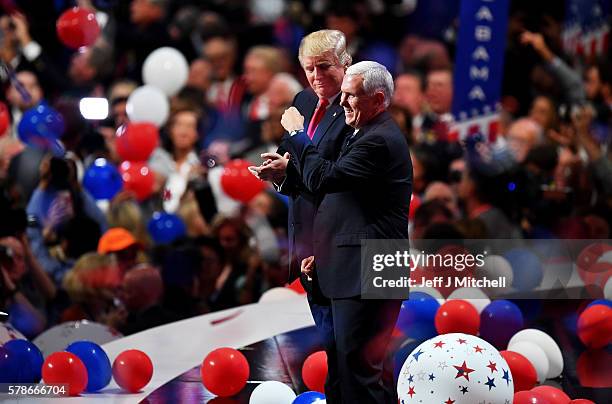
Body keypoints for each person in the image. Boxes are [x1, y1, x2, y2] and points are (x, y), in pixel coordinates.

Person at [255, 61, 412, 403]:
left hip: (367, 271)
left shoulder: (379, 140)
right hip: (348, 267)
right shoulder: (364, 131)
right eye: (342, 96)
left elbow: (325, 179)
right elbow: (339, 196)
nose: (341, 104)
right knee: (344, 373)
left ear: (378, 99)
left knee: (359, 376)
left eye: (350, 96)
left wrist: (298, 134)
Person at [249, 29, 353, 402]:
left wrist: (296, 141)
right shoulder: (303, 101)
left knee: (349, 359)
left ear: (346, 64)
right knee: (333, 348)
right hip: (307, 241)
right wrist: (278, 173)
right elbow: (300, 168)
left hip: (339, 247)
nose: (316, 77)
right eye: (309, 68)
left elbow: (330, 177)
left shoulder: (356, 110)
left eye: (324, 67)